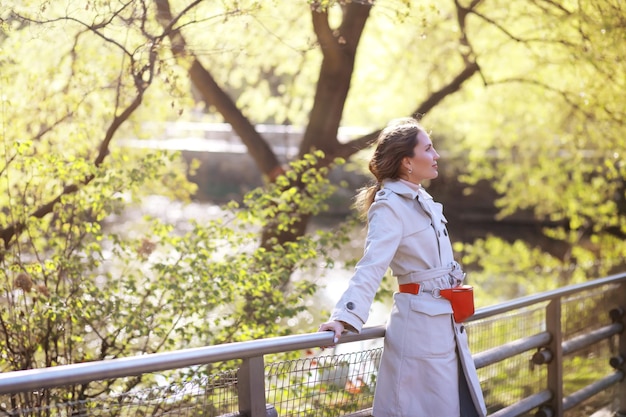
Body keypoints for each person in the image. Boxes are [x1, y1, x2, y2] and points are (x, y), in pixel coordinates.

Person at [318, 117, 487, 417]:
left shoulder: (424, 200)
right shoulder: (390, 206)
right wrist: (343, 317)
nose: (436, 156)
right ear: (408, 161)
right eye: (429, 149)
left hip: (445, 324)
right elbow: (371, 266)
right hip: (419, 330)